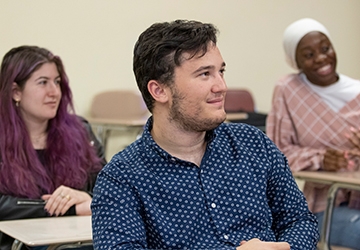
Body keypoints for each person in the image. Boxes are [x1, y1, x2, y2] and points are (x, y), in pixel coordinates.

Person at [91, 20, 319, 250]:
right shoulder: (121, 179)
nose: (221, 86)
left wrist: (286, 247)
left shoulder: (253, 144)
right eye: (204, 74)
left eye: (220, 71)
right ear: (159, 90)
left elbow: (300, 221)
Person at [0, 45, 107, 250]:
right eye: (43, 83)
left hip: (78, 241)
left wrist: (89, 198)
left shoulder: (81, 131)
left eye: (57, 82)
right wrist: (71, 208)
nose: (54, 92)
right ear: (16, 92)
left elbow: (111, 189)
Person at [266, 18, 360, 249]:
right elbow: (276, 155)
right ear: (295, 62)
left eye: (325, 49)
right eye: (308, 55)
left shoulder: (357, 91)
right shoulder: (289, 90)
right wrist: (320, 159)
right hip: (323, 206)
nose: (321, 59)